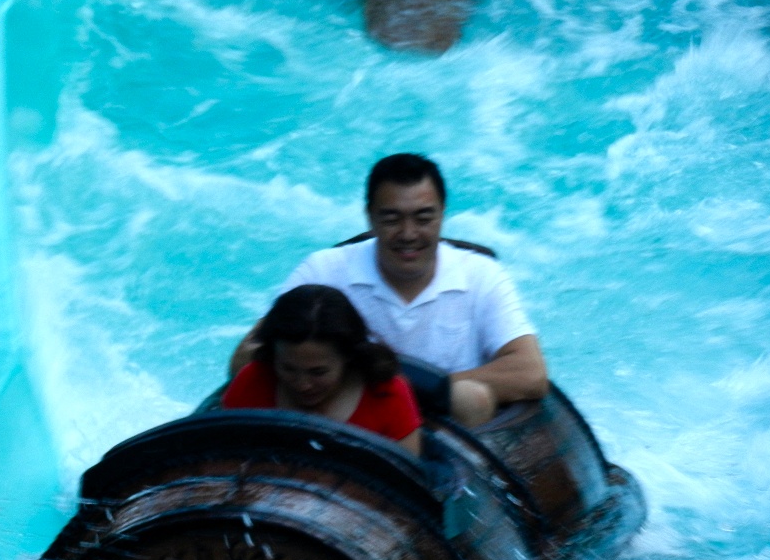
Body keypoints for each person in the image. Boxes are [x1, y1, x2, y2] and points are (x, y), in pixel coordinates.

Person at [231, 153, 549, 427]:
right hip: (346, 424)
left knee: (471, 398)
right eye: (392, 219)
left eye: (423, 218)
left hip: (448, 429)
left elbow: (530, 373)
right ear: (370, 217)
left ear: (442, 214)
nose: (408, 234)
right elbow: (244, 360)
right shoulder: (324, 270)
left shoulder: (482, 275)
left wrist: (408, 393)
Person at [222, 284, 423, 456]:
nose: (303, 385)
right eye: (288, 368)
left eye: (318, 372)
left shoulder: (387, 394)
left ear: (348, 357)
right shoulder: (252, 381)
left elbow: (408, 478)